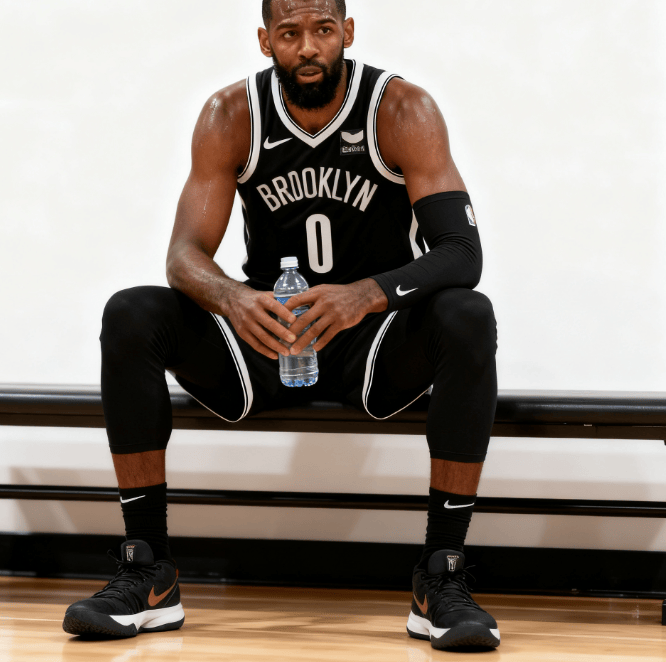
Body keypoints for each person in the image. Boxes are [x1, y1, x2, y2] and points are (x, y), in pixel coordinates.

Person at [63, 0, 499, 650]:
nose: (309, 47)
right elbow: (183, 255)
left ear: (347, 32)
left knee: (468, 315)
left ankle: (442, 574)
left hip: (371, 340)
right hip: (269, 336)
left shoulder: (401, 109)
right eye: (290, 33)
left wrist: (365, 296)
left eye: (323, 29)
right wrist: (233, 299)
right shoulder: (231, 115)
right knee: (131, 312)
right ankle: (148, 569)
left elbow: (462, 253)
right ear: (266, 40)